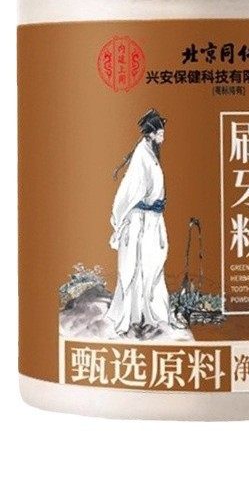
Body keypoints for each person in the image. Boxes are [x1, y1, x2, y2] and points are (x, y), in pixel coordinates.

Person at [105, 109, 170, 335]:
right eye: (159, 132)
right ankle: (132, 317)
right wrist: (124, 217)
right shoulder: (142, 155)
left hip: (151, 219)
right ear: (150, 134)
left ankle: (148, 314)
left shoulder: (150, 153)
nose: (162, 135)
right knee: (134, 267)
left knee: (151, 265)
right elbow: (131, 190)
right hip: (139, 220)